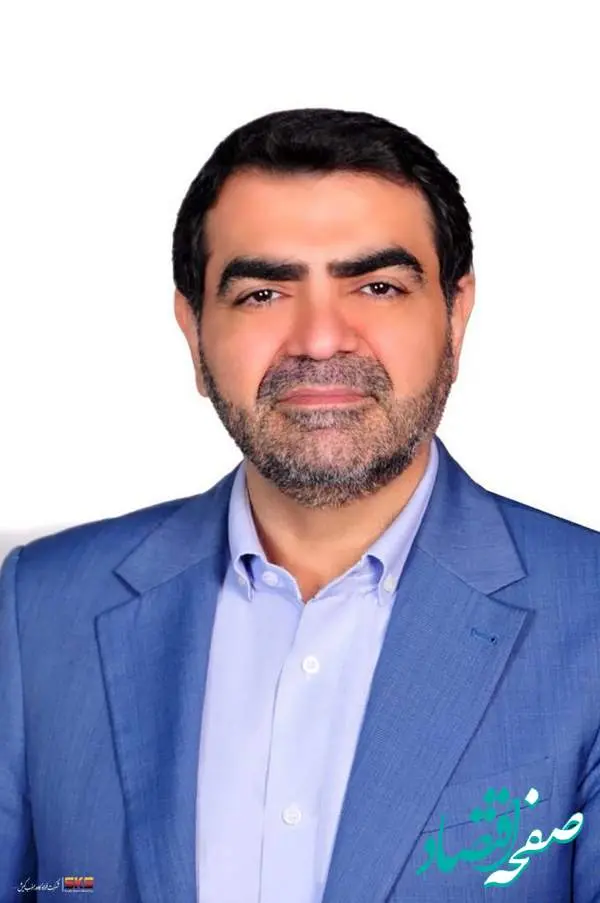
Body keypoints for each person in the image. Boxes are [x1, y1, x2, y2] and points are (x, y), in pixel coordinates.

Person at [1, 108, 599, 903]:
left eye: (378, 286)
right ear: (193, 331)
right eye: (262, 293)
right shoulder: (38, 609)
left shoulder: (589, 616)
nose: (320, 339)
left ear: (456, 316)